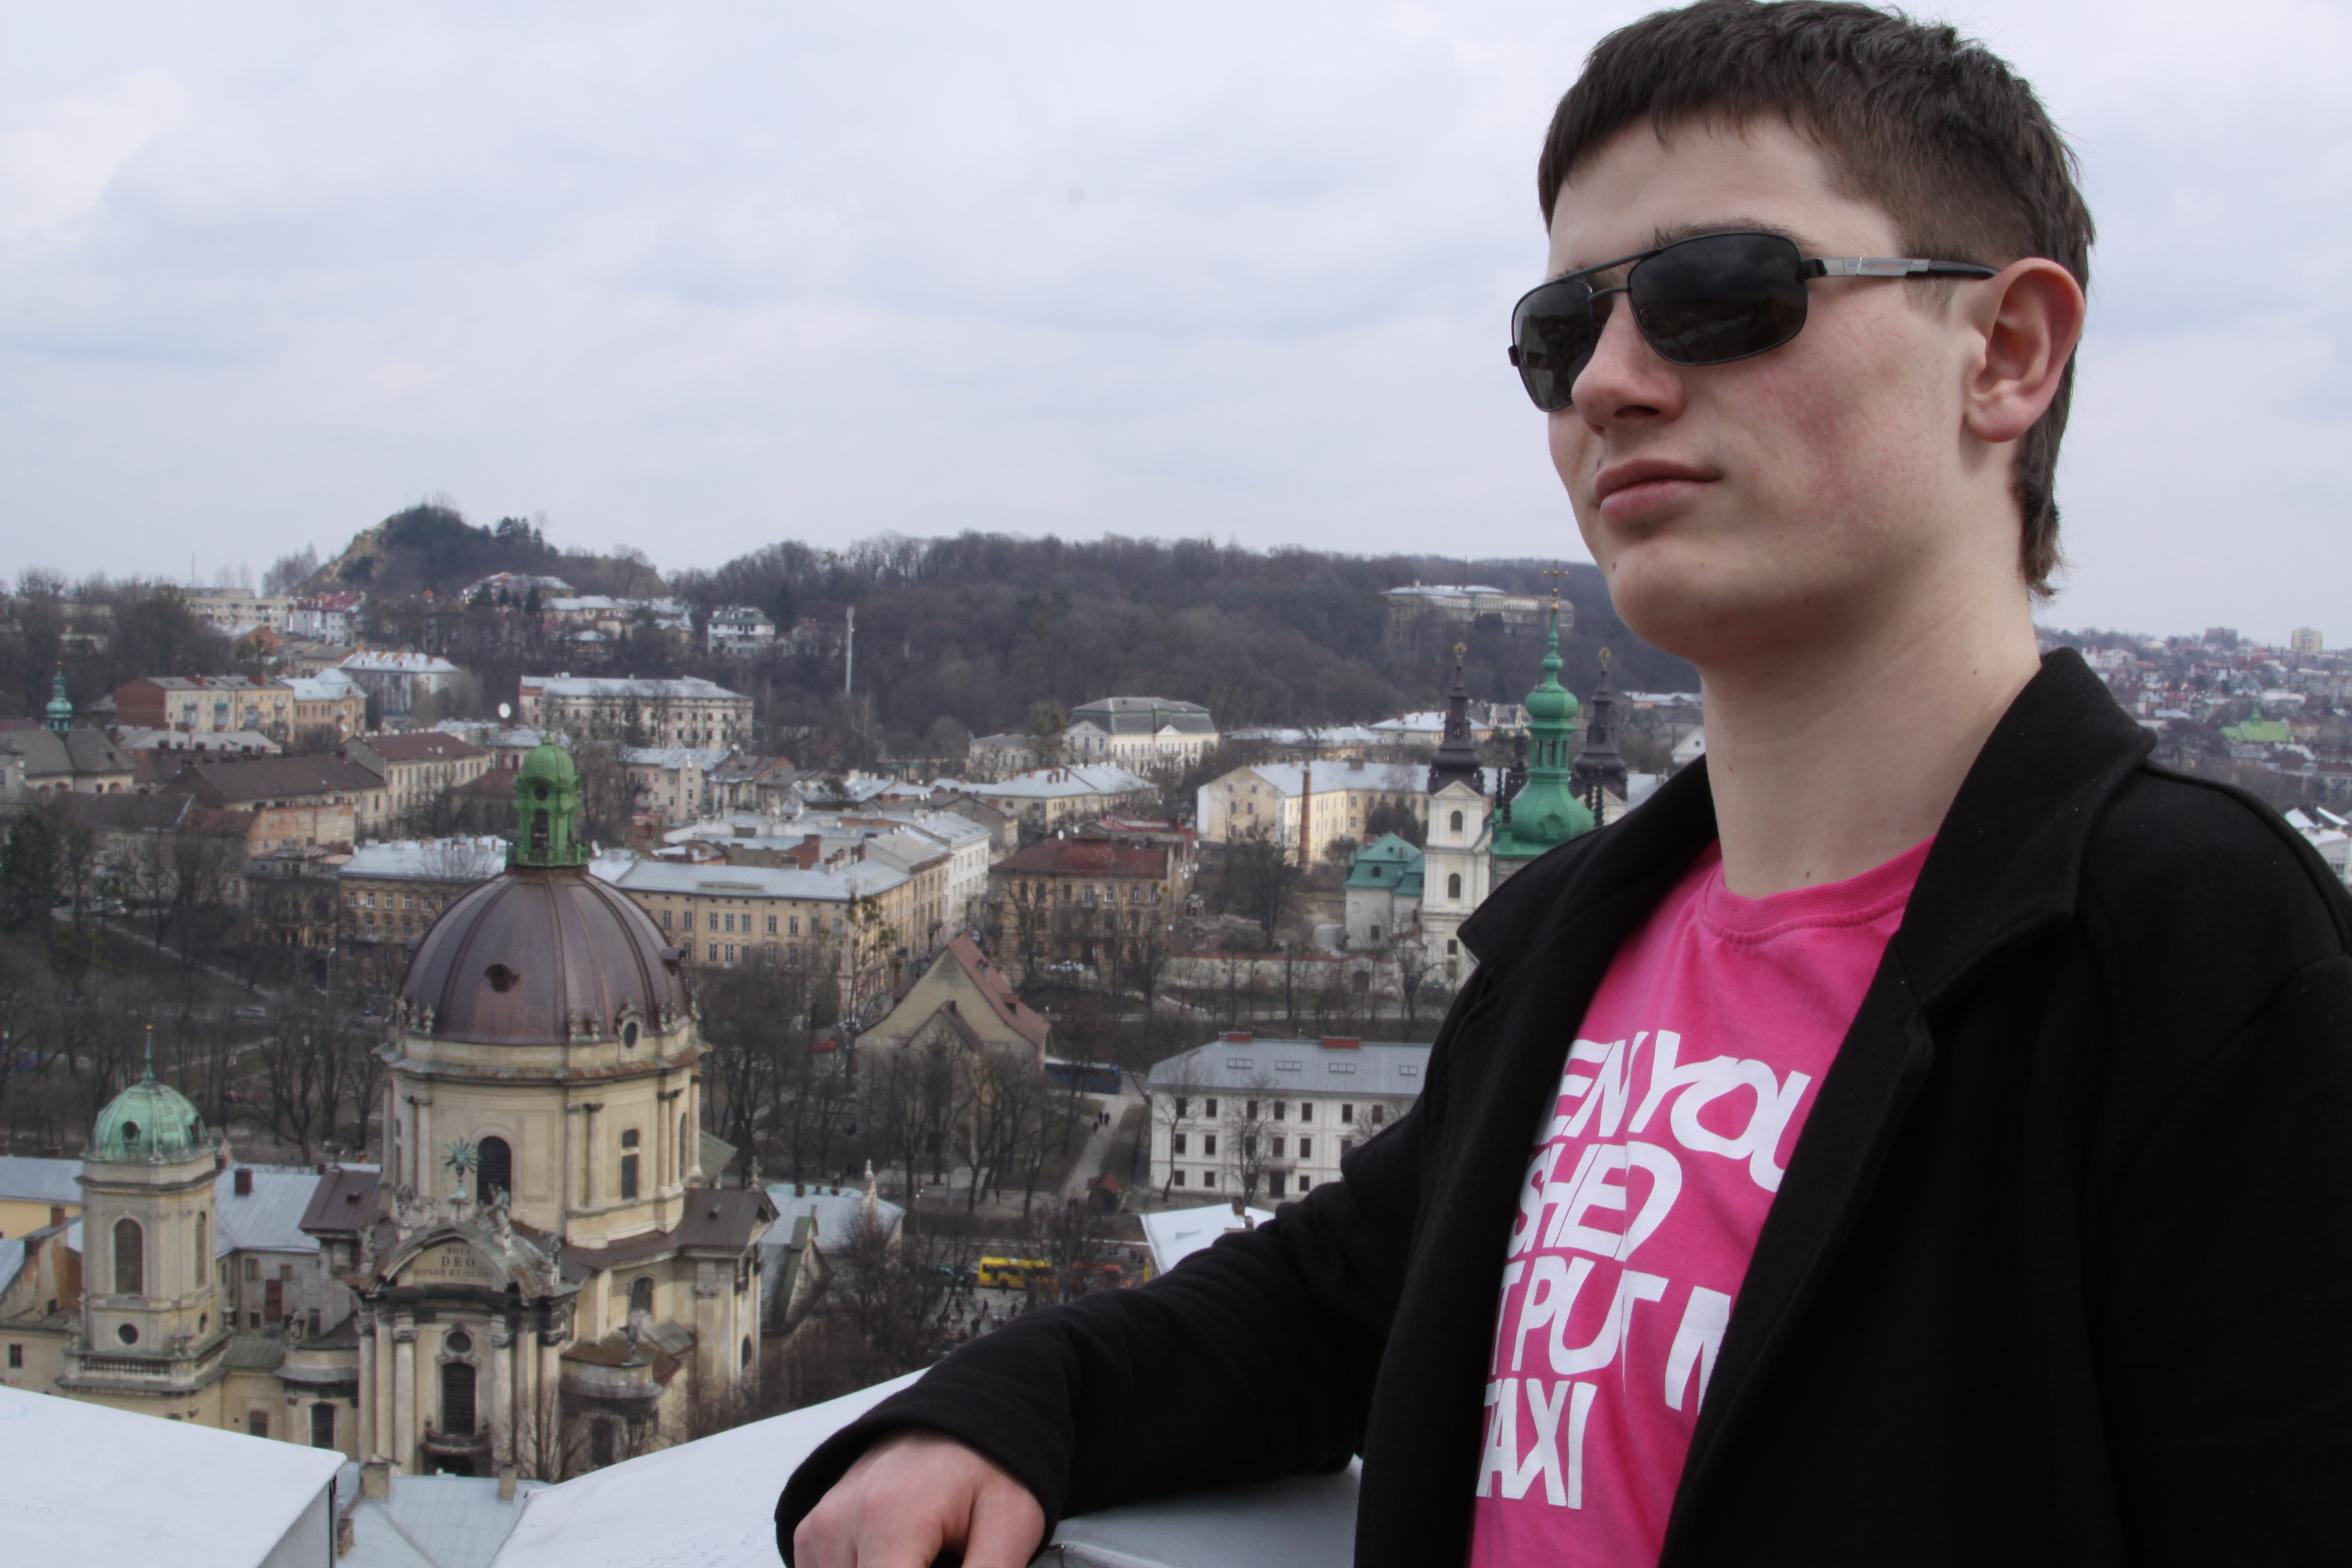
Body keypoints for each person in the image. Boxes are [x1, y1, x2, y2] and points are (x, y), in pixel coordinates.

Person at [780, 4, 2352, 1564]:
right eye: (1559, 334)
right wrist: (999, 1407)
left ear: (2003, 353)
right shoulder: (1583, 937)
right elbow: (1326, 1305)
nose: (1607, 382)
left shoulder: (2199, 957)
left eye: (1716, 294)